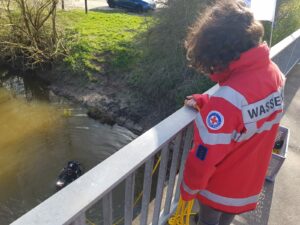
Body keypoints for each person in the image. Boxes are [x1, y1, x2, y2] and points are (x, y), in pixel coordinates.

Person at [180, 1, 285, 225]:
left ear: (219, 53)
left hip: (218, 189)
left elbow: (204, 157)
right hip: (248, 184)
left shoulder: (227, 101)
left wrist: (188, 189)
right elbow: (248, 115)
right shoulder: (273, 74)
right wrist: (209, 102)